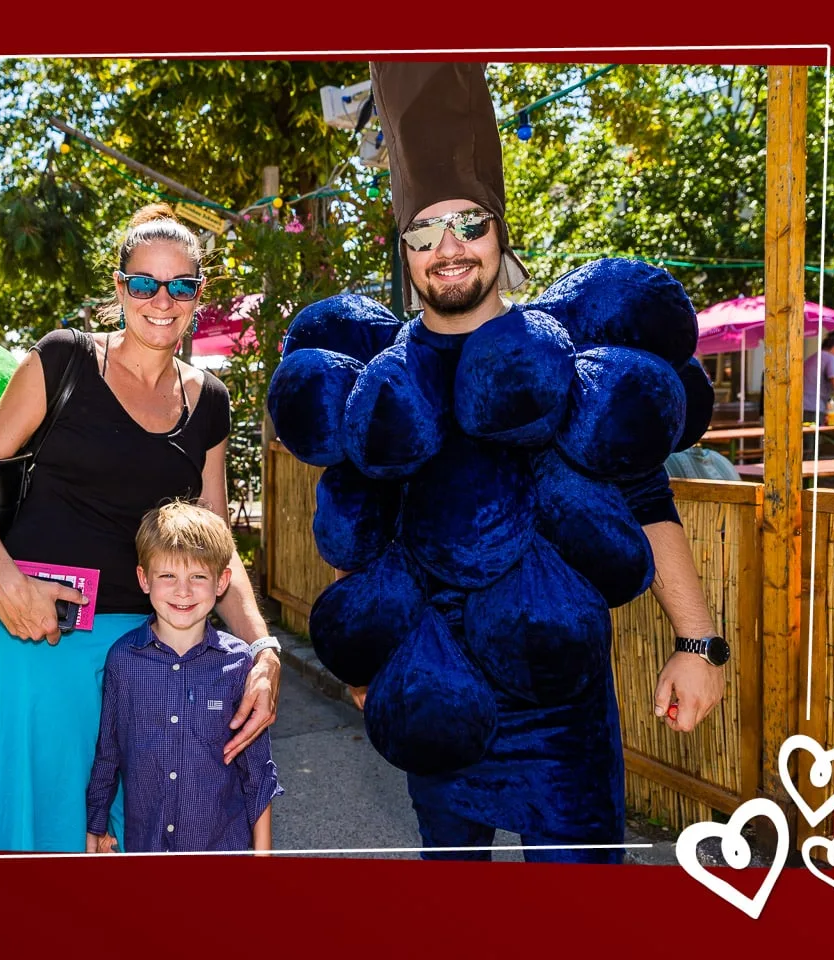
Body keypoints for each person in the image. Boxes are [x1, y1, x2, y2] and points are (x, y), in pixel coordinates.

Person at [282, 62, 726, 865]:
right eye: (424, 233)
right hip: (436, 697)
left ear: (500, 230)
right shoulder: (384, 381)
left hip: (563, 718)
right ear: (404, 249)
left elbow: (647, 500)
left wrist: (697, 645)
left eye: (469, 223)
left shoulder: (565, 357)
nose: (448, 249)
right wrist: (368, 655)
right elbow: (363, 530)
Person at [0, 203, 282, 852]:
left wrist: (262, 649)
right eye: (145, 282)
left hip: (157, 660)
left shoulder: (210, 400)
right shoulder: (62, 360)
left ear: (199, 295)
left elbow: (216, 546)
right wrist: (5, 582)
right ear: (120, 286)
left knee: (143, 848)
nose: (162, 300)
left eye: (181, 285)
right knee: (33, 848)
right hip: (39, 643)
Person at [85, 500, 282, 853]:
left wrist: (263, 858)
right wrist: (95, 827)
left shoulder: (239, 666)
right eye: (168, 576)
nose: (183, 591)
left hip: (224, 853)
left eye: (198, 577)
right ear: (144, 579)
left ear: (221, 581)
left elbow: (258, 774)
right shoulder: (122, 661)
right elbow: (107, 756)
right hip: (148, 851)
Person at [802, 330, 834, 456]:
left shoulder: (813, 357)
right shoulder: (831, 358)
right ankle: (809, 467)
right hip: (813, 407)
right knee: (811, 445)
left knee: (804, 443)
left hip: (802, 406)